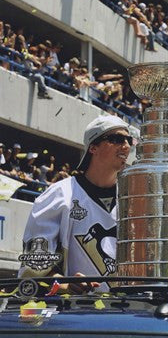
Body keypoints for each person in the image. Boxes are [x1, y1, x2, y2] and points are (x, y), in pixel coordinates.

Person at [18, 115, 132, 292]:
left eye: (129, 139)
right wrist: (64, 284)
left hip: (129, 313)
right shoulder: (59, 194)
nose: (126, 145)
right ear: (93, 147)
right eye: (116, 139)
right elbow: (33, 268)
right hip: (75, 313)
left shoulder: (134, 199)